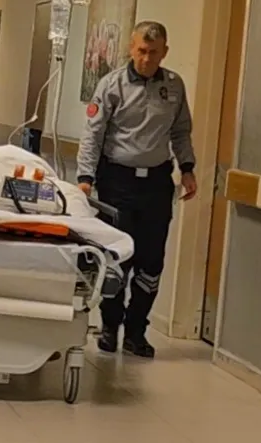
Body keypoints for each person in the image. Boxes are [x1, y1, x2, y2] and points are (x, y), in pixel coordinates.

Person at [76, 21, 198, 359]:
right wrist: (85, 178)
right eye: (141, 51)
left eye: (153, 53)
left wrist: (188, 168)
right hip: (118, 181)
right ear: (131, 48)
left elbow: (181, 132)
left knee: (151, 261)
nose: (146, 59)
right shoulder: (112, 85)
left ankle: (136, 331)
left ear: (165, 52)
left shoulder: (174, 86)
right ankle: (109, 327)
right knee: (117, 257)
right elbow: (93, 135)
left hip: (157, 184)